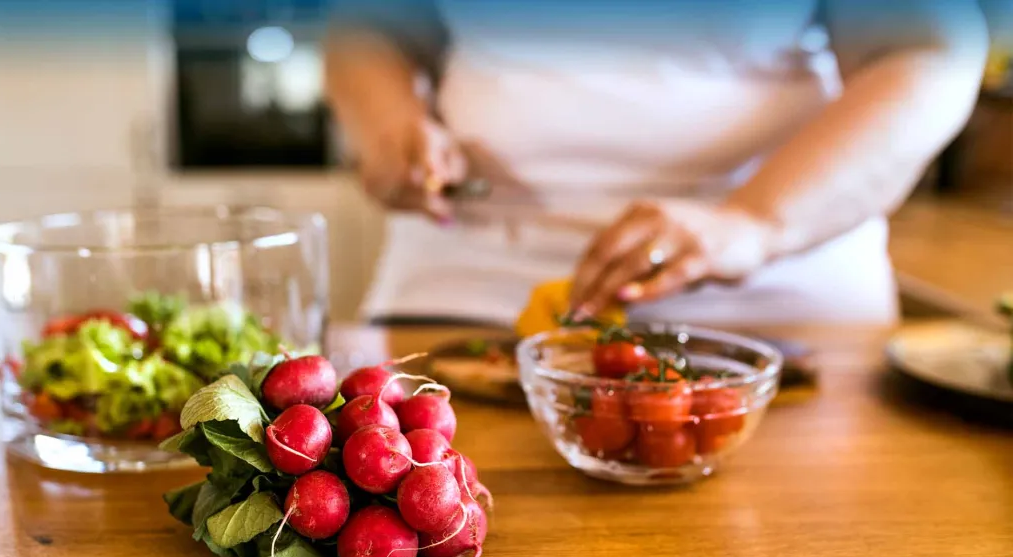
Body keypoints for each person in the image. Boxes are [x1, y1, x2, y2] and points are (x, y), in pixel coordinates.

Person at [325, 0, 989, 326]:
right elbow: (368, 25)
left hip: (778, 313)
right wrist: (386, 123)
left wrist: (754, 223)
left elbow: (930, 53)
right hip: (463, 294)